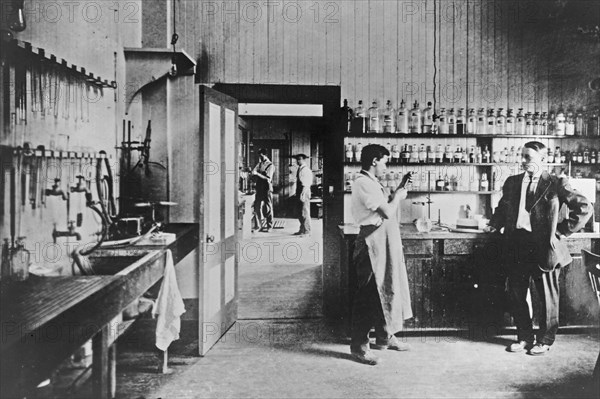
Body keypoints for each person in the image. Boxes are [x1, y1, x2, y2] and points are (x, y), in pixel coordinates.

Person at [484, 141, 592, 355]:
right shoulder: (513, 182)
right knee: (516, 294)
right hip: (516, 244)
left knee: (546, 297)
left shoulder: (556, 182)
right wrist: (494, 224)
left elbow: (584, 207)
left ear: (543, 159)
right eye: (522, 156)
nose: (523, 162)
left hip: (544, 247)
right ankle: (524, 337)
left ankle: (545, 340)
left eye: (528, 158)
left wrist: (561, 231)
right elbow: (503, 206)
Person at [350, 144, 414, 365]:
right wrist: (398, 196)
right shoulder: (363, 183)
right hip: (371, 244)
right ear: (374, 161)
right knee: (368, 297)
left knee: (385, 289)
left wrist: (397, 192)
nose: (386, 166)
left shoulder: (372, 183)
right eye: (385, 161)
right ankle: (359, 347)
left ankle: (385, 337)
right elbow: (387, 211)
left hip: (382, 242)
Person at [251, 148, 275, 232]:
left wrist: (257, 173)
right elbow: (253, 171)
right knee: (257, 206)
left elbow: (268, 178)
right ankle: (258, 226)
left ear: (265, 155)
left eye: (261, 156)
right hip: (259, 187)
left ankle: (269, 226)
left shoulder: (270, 165)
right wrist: (254, 172)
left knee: (268, 207)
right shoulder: (260, 164)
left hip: (267, 188)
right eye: (259, 156)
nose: (260, 157)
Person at [293, 154, 313, 236]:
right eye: (297, 159)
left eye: (299, 159)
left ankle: (307, 231)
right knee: (300, 212)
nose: (298, 161)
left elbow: (306, 184)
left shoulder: (306, 170)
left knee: (305, 212)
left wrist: (302, 194)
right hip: (299, 191)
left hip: (304, 191)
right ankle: (302, 229)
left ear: (304, 160)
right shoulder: (300, 169)